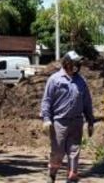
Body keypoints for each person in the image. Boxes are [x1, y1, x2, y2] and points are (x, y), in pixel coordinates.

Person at [41, 51, 95, 183]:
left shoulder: (81, 81)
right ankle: (52, 174)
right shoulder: (54, 79)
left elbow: (87, 102)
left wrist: (90, 121)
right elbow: (46, 101)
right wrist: (47, 119)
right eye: (74, 63)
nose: (77, 65)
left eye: (78, 63)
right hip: (59, 122)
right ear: (66, 63)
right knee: (58, 152)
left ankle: (72, 177)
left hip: (77, 122)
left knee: (74, 151)